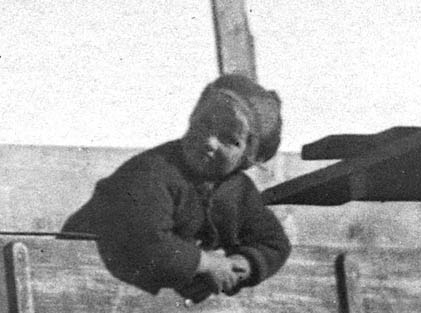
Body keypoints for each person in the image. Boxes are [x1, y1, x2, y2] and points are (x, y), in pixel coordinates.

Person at [79, 75, 293, 301]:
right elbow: (145, 240)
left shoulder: (239, 190)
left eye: (230, 139)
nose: (209, 141)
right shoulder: (151, 172)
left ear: (247, 158)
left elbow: (274, 242)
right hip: (89, 278)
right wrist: (206, 263)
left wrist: (241, 264)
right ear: (193, 117)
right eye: (204, 124)